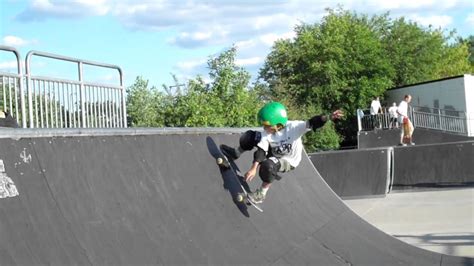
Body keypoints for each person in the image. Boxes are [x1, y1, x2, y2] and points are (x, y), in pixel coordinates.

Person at [220, 102, 343, 203]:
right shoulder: (267, 133)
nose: (264, 128)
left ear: (278, 124)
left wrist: (329, 117)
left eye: (267, 125)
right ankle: (236, 152)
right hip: (273, 152)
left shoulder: (294, 127)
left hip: (288, 160)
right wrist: (253, 168)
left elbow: (313, 122)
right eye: (263, 124)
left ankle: (261, 194)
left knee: (268, 166)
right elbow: (261, 151)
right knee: (251, 136)